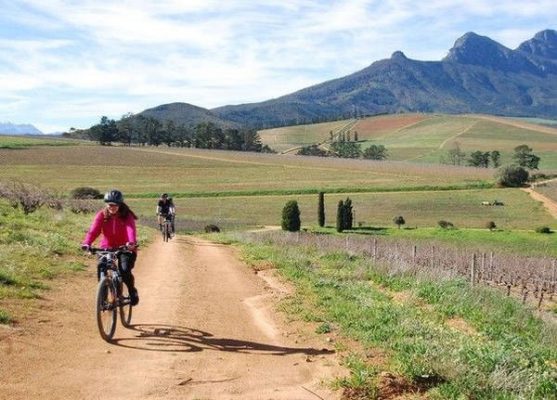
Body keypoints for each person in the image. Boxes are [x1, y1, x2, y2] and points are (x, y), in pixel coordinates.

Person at [81, 189, 140, 306]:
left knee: (124, 270)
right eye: (110, 205)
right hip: (106, 247)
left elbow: (130, 229)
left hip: (125, 247)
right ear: (106, 204)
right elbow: (94, 231)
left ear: (120, 204)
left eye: (115, 205)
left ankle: (132, 291)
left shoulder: (126, 215)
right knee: (101, 266)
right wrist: (87, 243)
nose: (112, 207)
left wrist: (131, 243)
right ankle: (103, 297)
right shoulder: (102, 215)